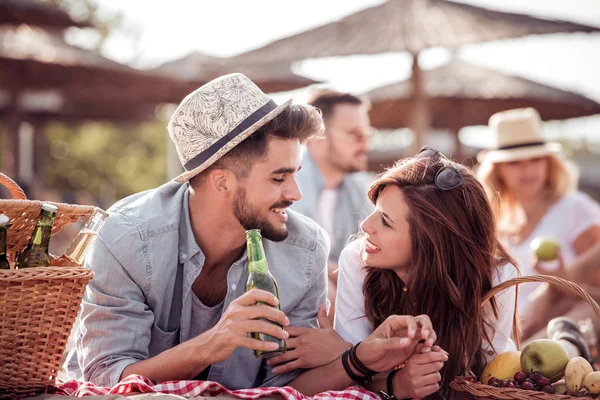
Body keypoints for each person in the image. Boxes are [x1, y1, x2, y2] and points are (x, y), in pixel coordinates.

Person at [65, 73, 438, 395]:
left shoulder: (305, 248)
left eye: (295, 173)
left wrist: (360, 358)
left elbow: (287, 385)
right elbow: (104, 380)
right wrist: (214, 344)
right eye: (279, 178)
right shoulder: (127, 237)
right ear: (222, 182)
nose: (296, 193)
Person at [267, 147, 519, 397]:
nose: (365, 225)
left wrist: (339, 351)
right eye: (374, 210)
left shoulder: (496, 274)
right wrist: (369, 365)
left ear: (431, 243)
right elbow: (353, 375)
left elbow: (483, 378)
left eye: (386, 221)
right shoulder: (358, 260)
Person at [476, 108, 600, 351]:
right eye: (514, 162)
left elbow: (595, 298)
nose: (527, 169)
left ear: (549, 162)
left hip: (556, 338)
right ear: (499, 169)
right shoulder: (497, 227)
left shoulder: (575, 209)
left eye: (535, 158)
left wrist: (559, 285)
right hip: (505, 338)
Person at [291, 90, 374, 320]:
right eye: (355, 135)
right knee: (325, 288)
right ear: (317, 139)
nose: (365, 146)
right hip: (297, 300)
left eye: (367, 135)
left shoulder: (359, 185)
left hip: (343, 290)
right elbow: (290, 254)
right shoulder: (288, 180)